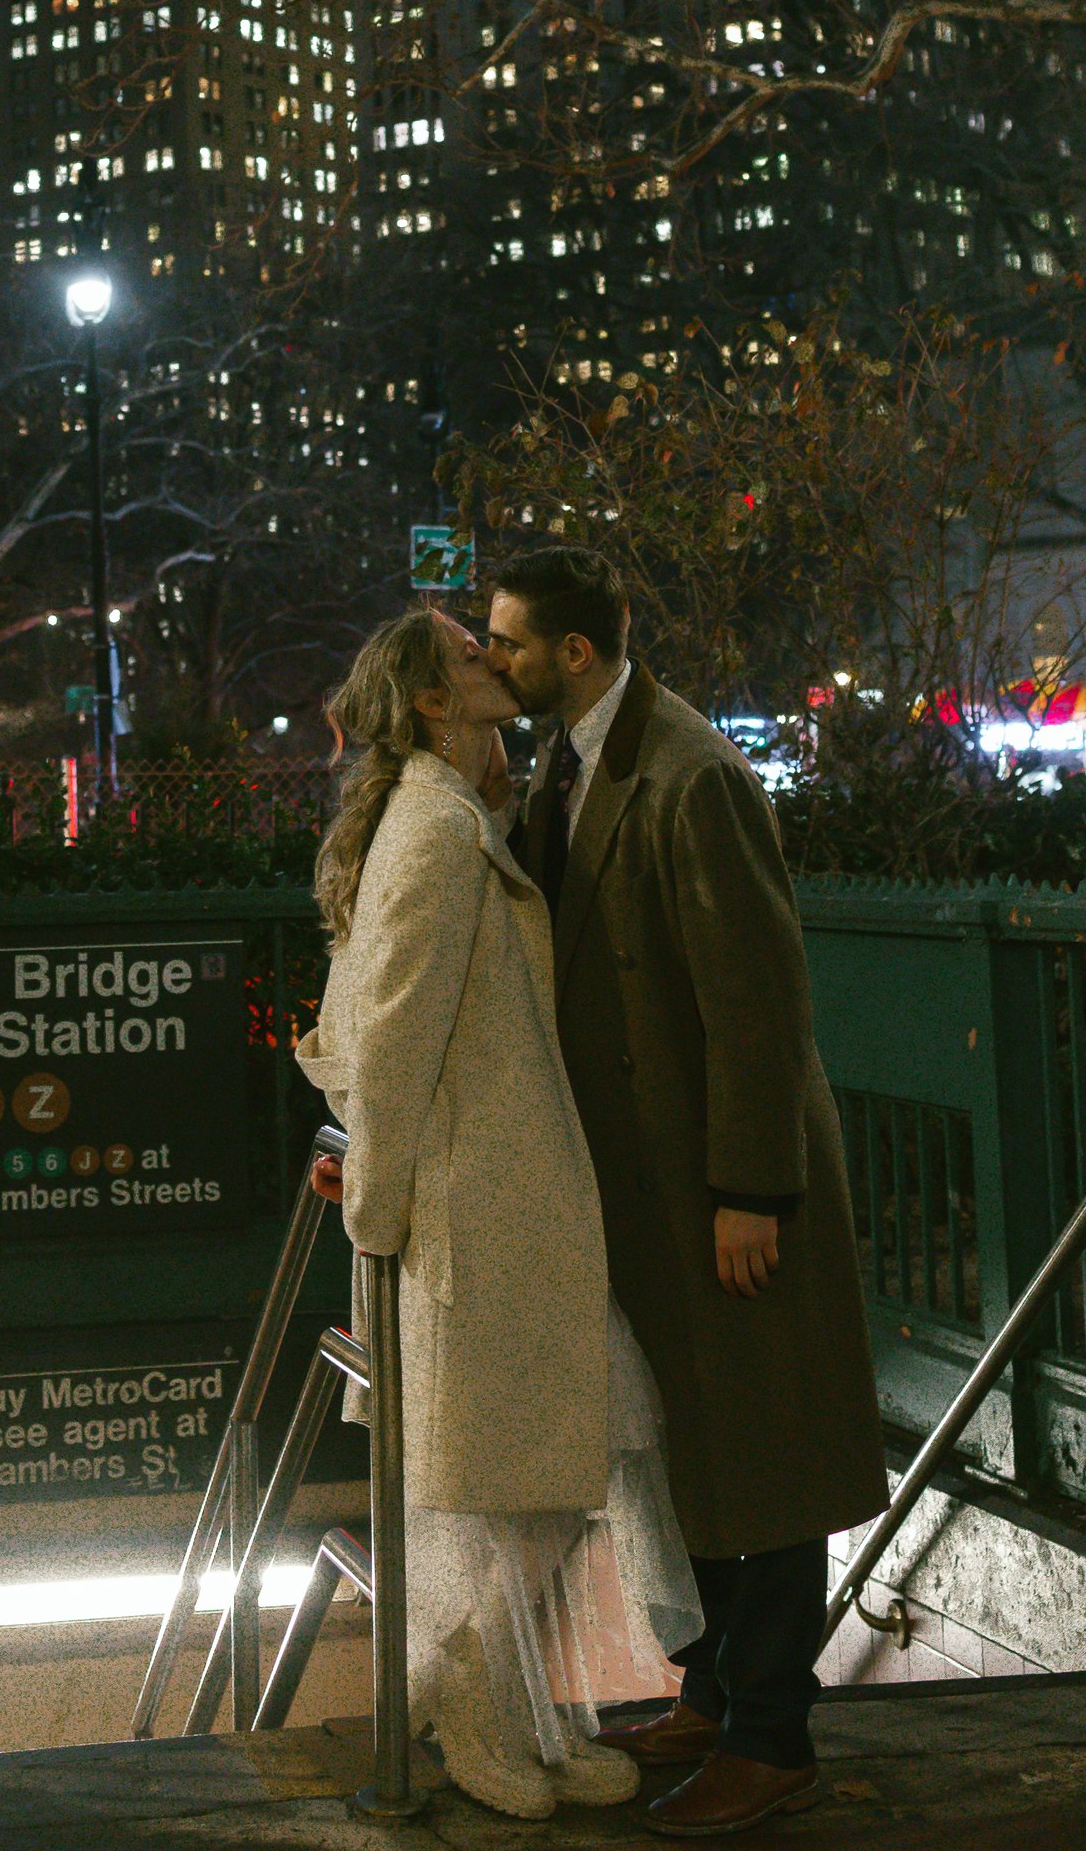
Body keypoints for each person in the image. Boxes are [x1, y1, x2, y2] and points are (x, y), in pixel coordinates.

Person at [485, 544, 886, 1838]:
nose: (497, 660)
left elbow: (755, 1001)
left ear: (577, 655)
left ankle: (772, 1736)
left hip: (719, 1186)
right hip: (655, 1188)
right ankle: (715, 1696)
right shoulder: (579, 761)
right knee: (699, 1452)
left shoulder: (691, 774)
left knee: (764, 1452)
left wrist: (751, 1190)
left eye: (511, 643)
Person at [294, 607, 703, 1821]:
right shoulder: (431, 826)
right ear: (432, 699)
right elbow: (396, 1027)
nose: (493, 659)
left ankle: (505, 1704)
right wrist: (376, 1200)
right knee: (529, 1478)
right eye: (471, 655)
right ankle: (478, 1700)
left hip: (514, 1203)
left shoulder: (456, 812)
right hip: (484, 1208)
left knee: (548, 1474)